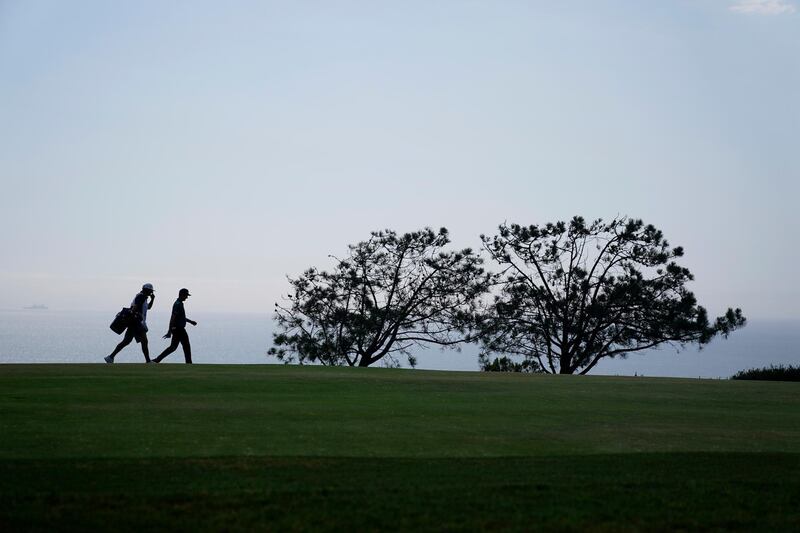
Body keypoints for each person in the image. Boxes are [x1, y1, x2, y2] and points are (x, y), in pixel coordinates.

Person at [105, 283, 155, 363]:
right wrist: (133, 317)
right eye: (150, 291)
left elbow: (148, 307)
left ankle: (110, 357)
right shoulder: (141, 297)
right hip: (136, 323)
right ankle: (148, 361)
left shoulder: (143, 297)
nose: (151, 293)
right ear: (147, 290)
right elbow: (135, 308)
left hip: (134, 322)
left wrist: (152, 299)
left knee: (126, 341)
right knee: (144, 341)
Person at [154, 288, 196, 364]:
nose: (186, 297)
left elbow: (181, 317)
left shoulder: (179, 303)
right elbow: (172, 318)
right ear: (181, 295)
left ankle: (157, 360)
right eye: (186, 295)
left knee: (173, 347)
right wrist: (169, 331)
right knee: (186, 345)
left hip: (178, 329)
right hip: (178, 329)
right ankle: (189, 362)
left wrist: (190, 322)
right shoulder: (177, 304)